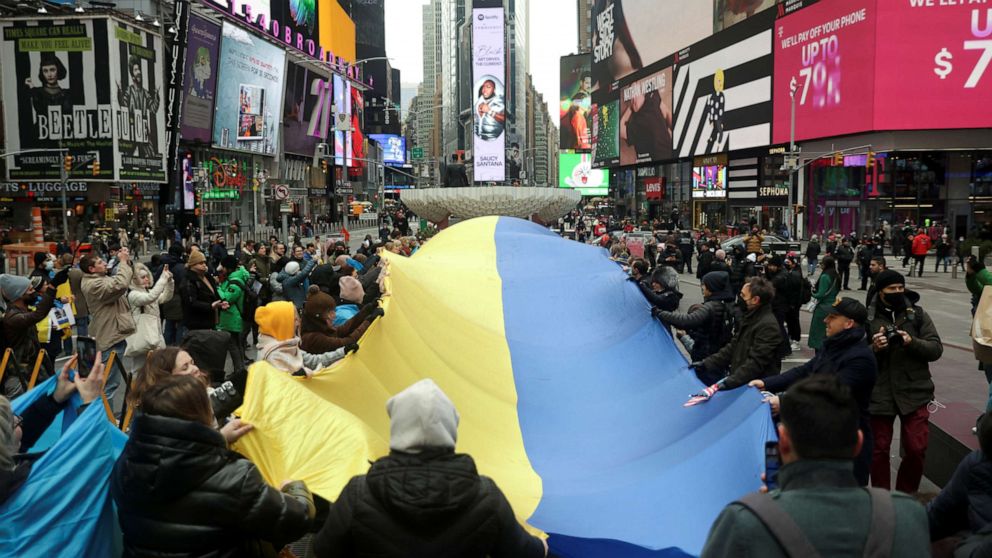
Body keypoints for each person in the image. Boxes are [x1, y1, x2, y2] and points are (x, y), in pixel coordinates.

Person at [310, 378, 548, 558]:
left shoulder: (358, 494)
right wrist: (542, 546)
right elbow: (527, 553)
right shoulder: (485, 495)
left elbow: (321, 551)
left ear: (397, 427)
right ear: (451, 428)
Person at [700, 375, 929, 558]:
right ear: (858, 443)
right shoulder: (907, 516)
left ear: (784, 442)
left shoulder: (743, 523)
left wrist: (771, 509)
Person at [111, 375, 315, 557]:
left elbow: (176, 455)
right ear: (201, 414)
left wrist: (218, 440)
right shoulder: (235, 477)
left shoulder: (126, 464)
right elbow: (296, 520)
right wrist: (295, 488)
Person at [751, 298, 878, 485]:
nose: (825, 320)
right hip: (819, 438)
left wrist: (784, 402)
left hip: (844, 447)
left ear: (849, 323)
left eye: (833, 317)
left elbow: (831, 393)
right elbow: (804, 371)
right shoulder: (833, 346)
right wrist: (765, 383)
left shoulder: (860, 358)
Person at [868, 270, 943, 493]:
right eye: (892, 289)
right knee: (879, 449)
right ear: (880, 291)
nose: (897, 293)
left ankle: (905, 496)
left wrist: (912, 342)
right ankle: (881, 498)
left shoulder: (917, 315)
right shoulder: (868, 318)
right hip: (880, 392)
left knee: (916, 448)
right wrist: (874, 347)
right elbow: (855, 355)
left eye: (900, 288)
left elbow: (936, 349)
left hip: (915, 391)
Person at [0, 355, 105, 505]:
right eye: (13, 421)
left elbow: (23, 435)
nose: (19, 420)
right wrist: (91, 404)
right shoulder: (28, 484)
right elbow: (83, 459)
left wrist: (55, 399)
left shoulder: (6, 475)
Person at [693, 276, 782, 389]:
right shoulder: (751, 317)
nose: (739, 298)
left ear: (755, 300)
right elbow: (733, 347)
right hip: (742, 382)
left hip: (754, 388)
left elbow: (755, 363)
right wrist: (706, 364)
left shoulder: (768, 326)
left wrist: (729, 382)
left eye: (743, 295)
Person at [79, 250, 134, 416]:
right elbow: (120, 285)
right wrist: (123, 262)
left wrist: (125, 262)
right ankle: (106, 420)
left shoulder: (99, 279)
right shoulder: (94, 285)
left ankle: (105, 417)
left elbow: (121, 280)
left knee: (109, 382)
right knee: (108, 385)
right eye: (100, 263)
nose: (105, 264)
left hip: (113, 334)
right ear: (91, 269)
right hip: (108, 337)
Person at [255, 300, 355, 377]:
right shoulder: (274, 356)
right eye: (294, 320)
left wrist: (343, 351)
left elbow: (312, 361)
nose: (298, 323)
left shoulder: (287, 344)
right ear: (283, 323)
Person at [654, 271, 735, 362]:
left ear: (712, 287)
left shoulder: (711, 307)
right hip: (716, 358)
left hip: (707, 360)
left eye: (704, 285)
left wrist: (659, 313)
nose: (702, 287)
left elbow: (686, 321)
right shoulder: (726, 305)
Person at [0, 275, 56, 397]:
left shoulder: (23, 311)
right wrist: (51, 288)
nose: (34, 292)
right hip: (20, 375)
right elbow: (37, 315)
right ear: (19, 295)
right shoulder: (12, 317)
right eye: (30, 290)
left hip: (35, 370)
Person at [125, 262, 174, 372]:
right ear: (134, 279)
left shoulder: (149, 291)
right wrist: (162, 279)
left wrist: (169, 281)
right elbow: (150, 298)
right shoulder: (133, 294)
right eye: (142, 277)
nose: (146, 279)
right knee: (140, 369)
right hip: (143, 336)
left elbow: (166, 297)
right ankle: (137, 388)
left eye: (147, 276)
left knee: (158, 368)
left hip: (155, 335)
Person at [181, 248, 222, 333]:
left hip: (210, 320)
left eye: (204, 262)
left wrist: (221, 303)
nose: (204, 265)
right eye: (200, 263)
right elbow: (191, 302)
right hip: (197, 323)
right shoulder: (189, 280)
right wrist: (210, 306)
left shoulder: (207, 277)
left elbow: (214, 294)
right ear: (192, 265)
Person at [807, 256, 841, 352]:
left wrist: (812, 292)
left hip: (823, 308)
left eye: (822, 263)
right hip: (833, 305)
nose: (821, 265)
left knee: (818, 334)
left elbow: (820, 294)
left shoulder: (825, 276)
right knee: (830, 332)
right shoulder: (836, 275)